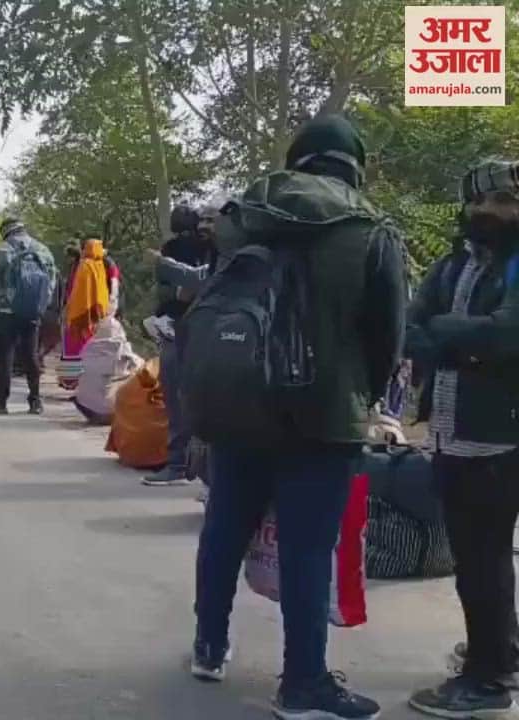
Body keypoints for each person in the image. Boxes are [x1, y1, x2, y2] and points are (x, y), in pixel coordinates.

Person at [190, 115, 405, 720]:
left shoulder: (247, 217)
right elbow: (388, 335)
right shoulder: (370, 230)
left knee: (225, 528)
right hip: (324, 413)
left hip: (240, 403)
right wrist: (369, 395)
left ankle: (209, 647)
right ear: (353, 165)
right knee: (308, 548)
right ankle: (302, 683)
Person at [404, 159, 519, 719]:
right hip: (452, 428)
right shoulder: (456, 262)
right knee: (477, 555)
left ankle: (487, 680)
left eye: (501, 203)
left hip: (501, 434)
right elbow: (411, 323)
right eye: (478, 203)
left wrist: (446, 337)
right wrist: (456, 343)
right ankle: (501, 651)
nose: (487, 213)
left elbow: (506, 334)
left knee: (482, 557)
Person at [143, 204, 217, 487]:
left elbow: (182, 287)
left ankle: (179, 464)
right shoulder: (213, 249)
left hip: (185, 329)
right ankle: (192, 467)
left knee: (178, 396)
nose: (204, 228)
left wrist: (177, 287)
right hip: (200, 328)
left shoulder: (171, 250)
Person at [0, 217, 56, 416]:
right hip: (31, 311)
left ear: (5, 231)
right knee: (31, 355)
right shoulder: (42, 250)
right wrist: (40, 306)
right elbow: (51, 282)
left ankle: (1, 402)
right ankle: (35, 401)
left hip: (5, 311)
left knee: (6, 355)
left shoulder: (2, 250)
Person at [58, 237, 120, 391]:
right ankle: (93, 383)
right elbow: (114, 289)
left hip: (78, 315)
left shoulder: (83, 265)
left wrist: (66, 308)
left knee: (73, 346)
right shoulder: (107, 264)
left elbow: (72, 289)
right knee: (95, 349)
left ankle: (71, 381)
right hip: (100, 314)